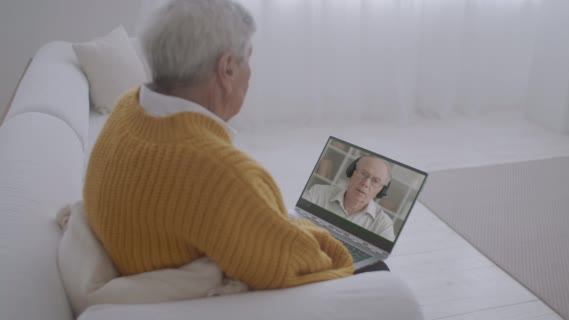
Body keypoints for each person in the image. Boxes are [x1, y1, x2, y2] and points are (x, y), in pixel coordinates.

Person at [83, 0, 353, 291]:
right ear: (226, 69)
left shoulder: (126, 108)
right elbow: (302, 262)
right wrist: (328, 236)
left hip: (148, 248)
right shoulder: (220, 173)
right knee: (374, 266)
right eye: (247, 59)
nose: (250, 71)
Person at [303, 155, 396, 241]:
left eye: (375, 181)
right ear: (351, 173)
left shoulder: (383, 225)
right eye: (363, 174)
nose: (365, 183)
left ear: (381, 190)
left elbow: (383, 257)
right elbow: (294, 219)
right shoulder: (318, 193)